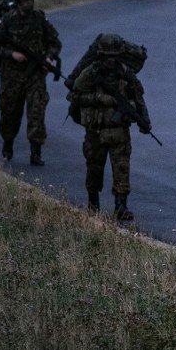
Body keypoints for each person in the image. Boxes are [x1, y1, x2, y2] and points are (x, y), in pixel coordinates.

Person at [67, 34, 152, 220]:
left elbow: (138, 98)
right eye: (107, 56)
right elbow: (74, 97)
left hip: (119, 132)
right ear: (100, 55)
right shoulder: (90, 73)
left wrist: (145, 121)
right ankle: (93, 203)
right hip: (96, 131)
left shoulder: (126, 74)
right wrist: (98, 99)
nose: (110, 61)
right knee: (94, 168)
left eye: (114, 56)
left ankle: (121, 206)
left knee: (122, 167)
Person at [0, 0, 62, 166]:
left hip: (35, 74)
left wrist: (49, 58)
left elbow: (54, 42)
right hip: (12, 74)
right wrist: (11, 54)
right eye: (25, 0)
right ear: (18, 2)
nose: (29, 3)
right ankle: (7, 145)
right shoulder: (7, 21)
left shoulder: (40, 20)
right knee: (10, 112)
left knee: (37, 112)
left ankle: (35, 152)